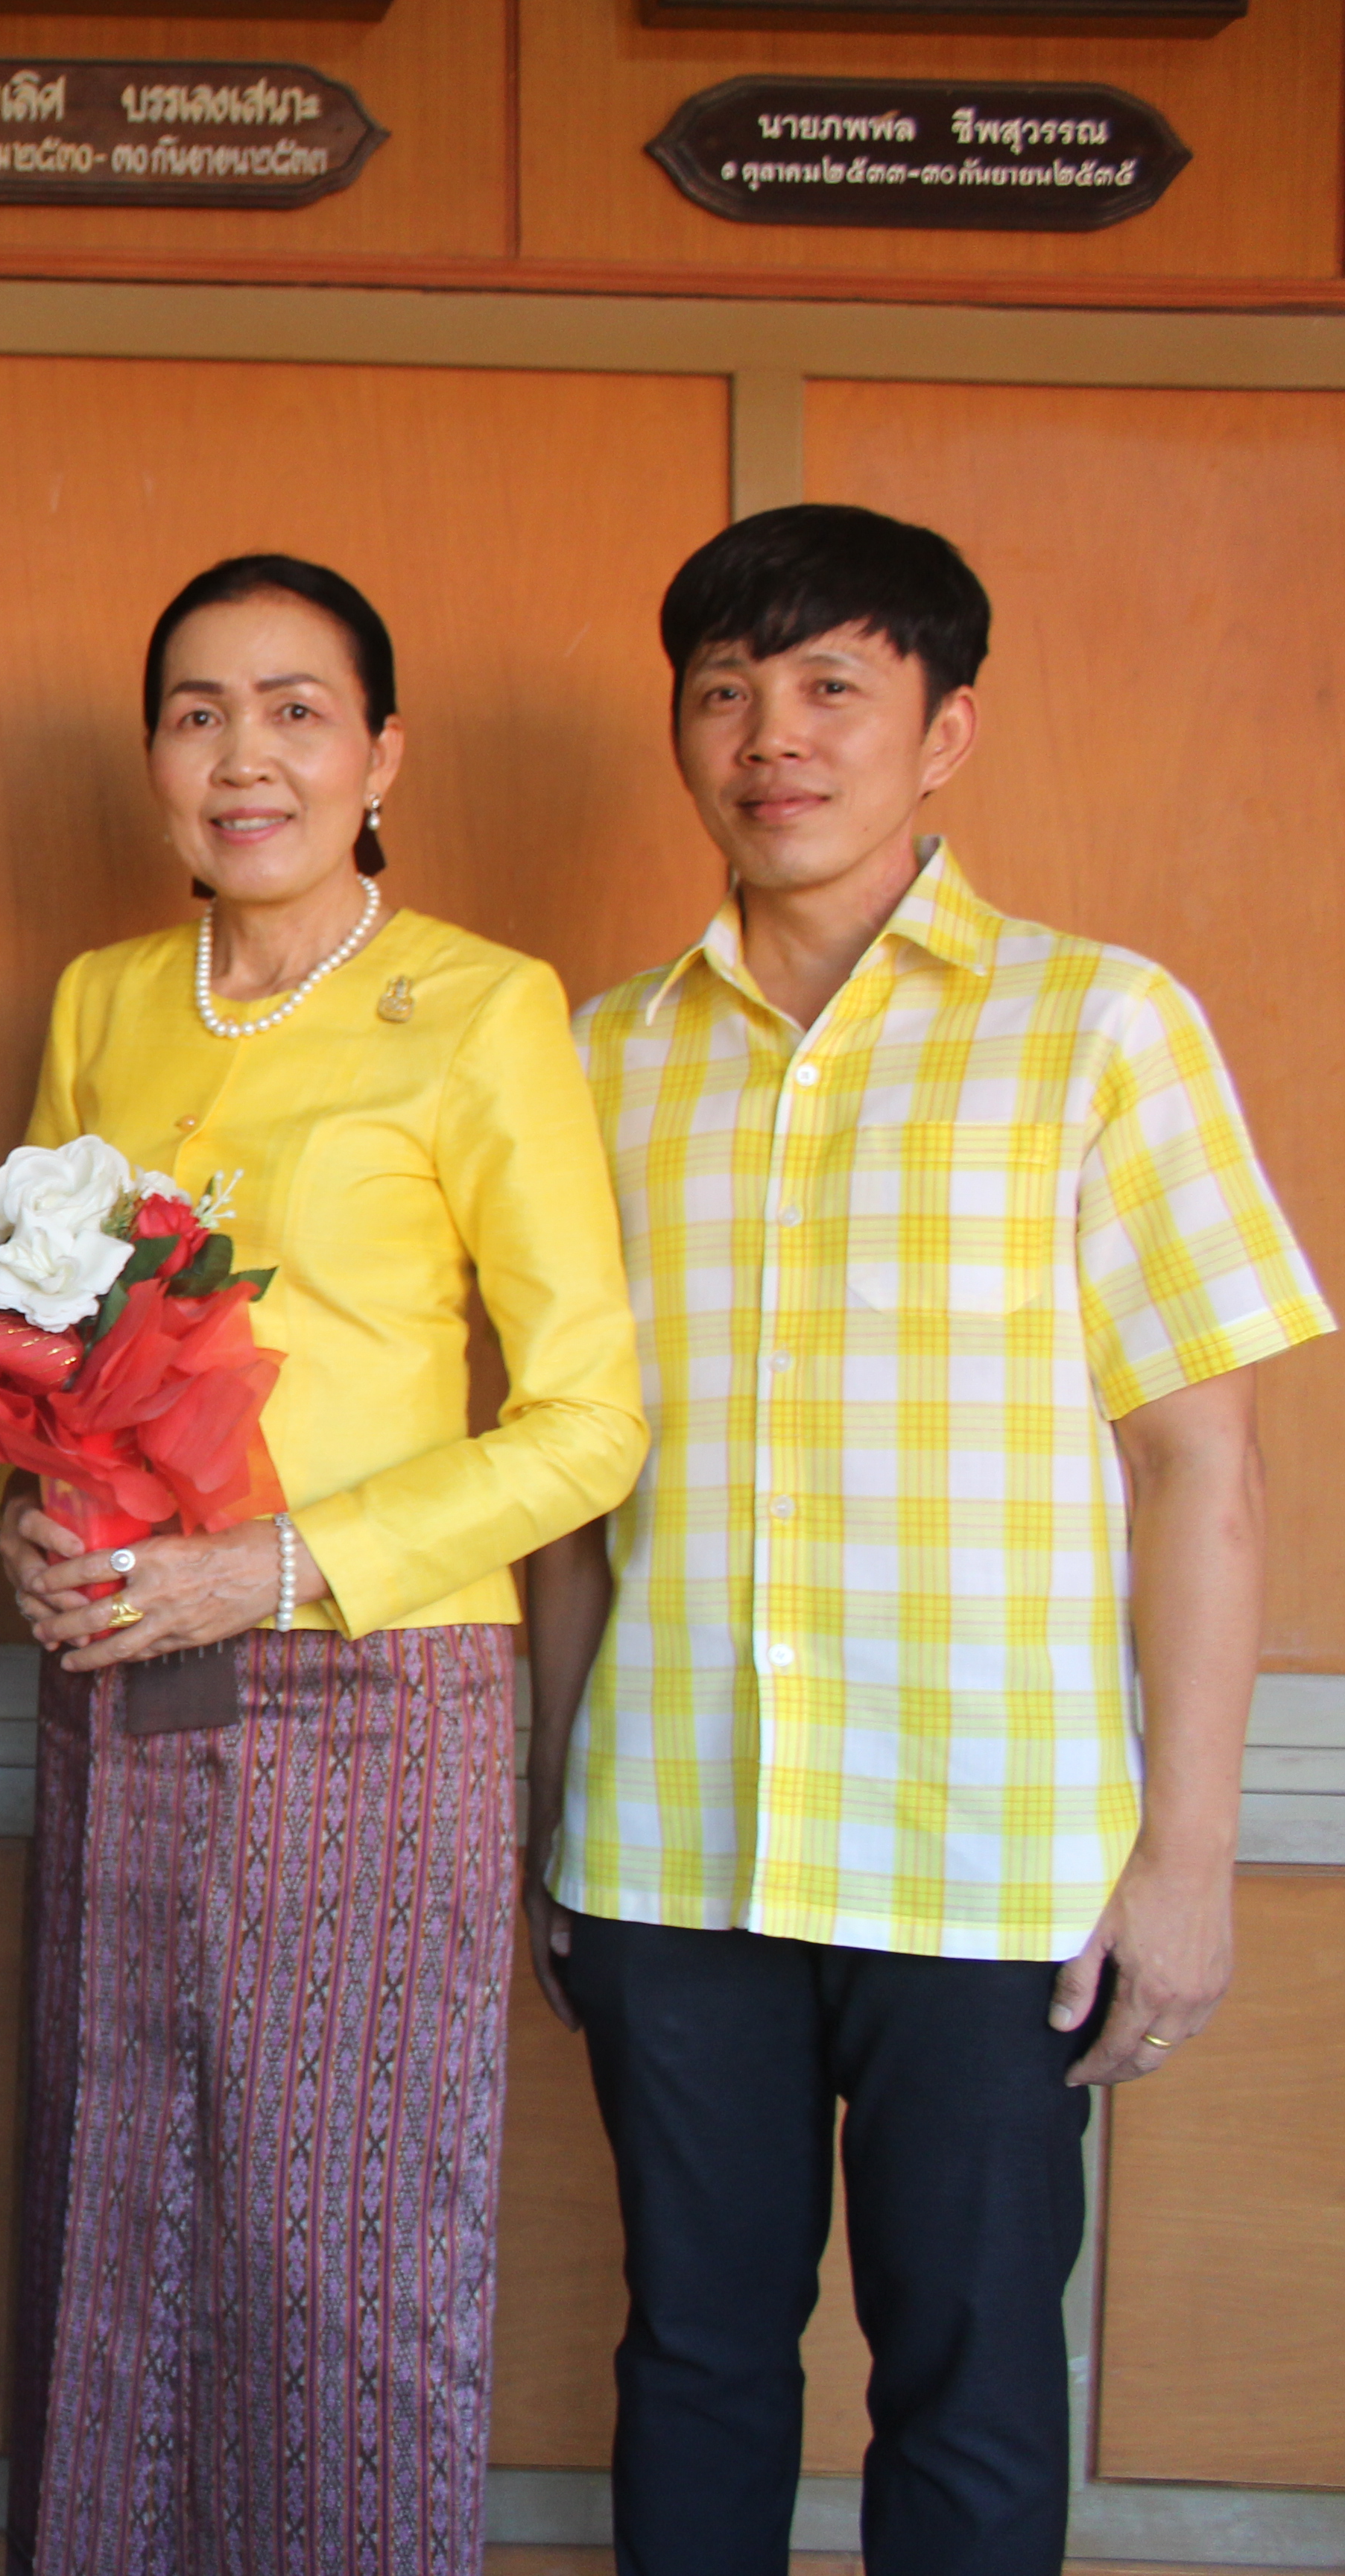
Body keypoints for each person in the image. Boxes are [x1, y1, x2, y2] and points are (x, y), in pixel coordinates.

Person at [523, 504, 1330, 2575]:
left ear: (943, 732)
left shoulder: (1098, 1032)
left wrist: (1187, 1863)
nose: (769, 735)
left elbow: (1202, 1474)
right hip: (674, 1845)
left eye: (830, 688)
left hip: (994, 1861)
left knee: (969, 2373)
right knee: (693, 2355)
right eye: (724, 691)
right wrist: (551, 1806)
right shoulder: (593, 1062)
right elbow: (564, 1483)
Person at [0, 556, 647, 2574]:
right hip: (116, 1671)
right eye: (197, 712)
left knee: (338, 2244)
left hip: (371, 1693)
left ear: (381, 753)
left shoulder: (480, 1004)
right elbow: (33, 1325)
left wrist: (275, 1569)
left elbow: (590, 1422)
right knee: (112, 2215)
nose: (243, 754)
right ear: (153, 760)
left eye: (294, 710)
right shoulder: (105, 998)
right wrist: (34, 1501)